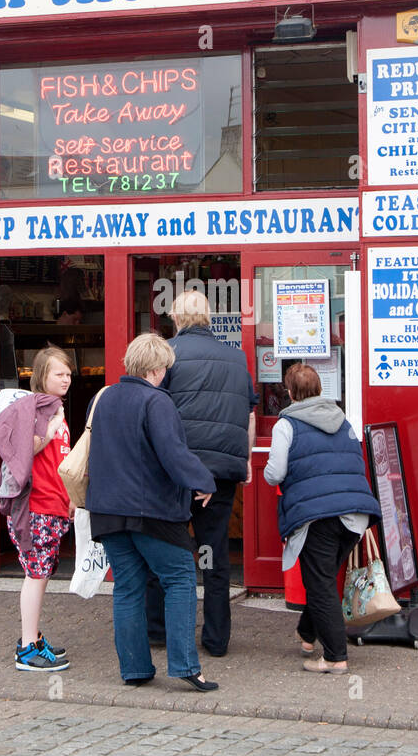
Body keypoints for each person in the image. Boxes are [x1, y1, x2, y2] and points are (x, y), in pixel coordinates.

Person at [87, 333, 220, 691]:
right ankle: (185, 666)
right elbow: (173, 453)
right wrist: (203, 480)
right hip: (152, 511)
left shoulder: (104, 398)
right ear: (159, 368)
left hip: (107, 510)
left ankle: (134, 669)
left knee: (127, 588)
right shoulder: (157, 401)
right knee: (179, 579)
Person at [146, 290, 256, 657]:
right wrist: (246, 461)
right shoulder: (237, 358)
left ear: (175, 318)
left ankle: (159, 630)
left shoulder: (167, 356)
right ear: (209, 318)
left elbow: (154, 412)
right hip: (221, 473)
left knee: (162, 548)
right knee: (214, 554)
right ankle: (216, 639)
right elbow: (249, 415)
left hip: (175, 472)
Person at [264, 363, 381, 674]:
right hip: (355, 513)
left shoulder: (285, 424)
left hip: (317, 515)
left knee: (319, 585)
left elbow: (275, 473)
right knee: (325, 578)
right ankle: (306, 634)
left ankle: (334, 657)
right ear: (319, 389)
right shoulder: (344, 421)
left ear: (289, 393)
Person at [0, 345, 74, 672]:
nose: (66, 379)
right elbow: (25, 452)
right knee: (35, 576)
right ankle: (27, 648)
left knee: (39, 575)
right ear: (42, 376)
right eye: (59, 374)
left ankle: (34, 638)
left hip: (53, 504)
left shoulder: (53, 407)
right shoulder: (39, 410)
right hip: (37, 506)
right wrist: (51, 429)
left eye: (68, 373)